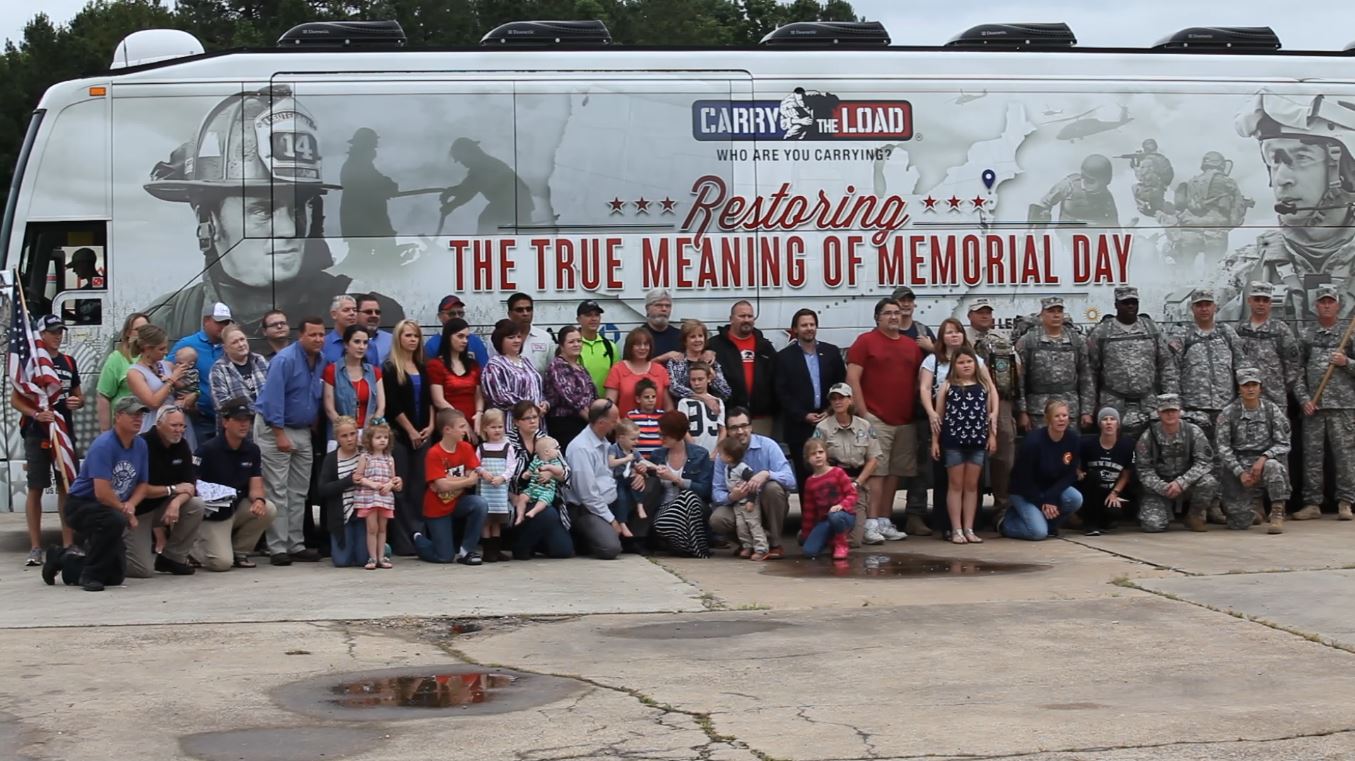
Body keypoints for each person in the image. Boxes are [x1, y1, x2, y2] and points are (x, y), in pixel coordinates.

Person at [141, 86, 405, 341]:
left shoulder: (366, 314)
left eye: (298, 208)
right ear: (209, 220)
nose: (289, 228)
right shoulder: (166, 322)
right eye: (263, 210)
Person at [846, 297, 922, 543]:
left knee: (895, 473)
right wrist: (863, 413)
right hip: (876, 419)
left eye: (897, 313)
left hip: (905, 421)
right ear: (877, 317)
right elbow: (852, 378)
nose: (894, 317)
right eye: (888, 313)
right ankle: (869, 522)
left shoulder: (911, 346)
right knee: (876, 473)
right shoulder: (865, 342)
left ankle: (884, 521)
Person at [58, 396, 151, 591]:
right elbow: (102, 492)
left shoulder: (140, 445)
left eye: (141, 415)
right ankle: (90, 575)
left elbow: (142, 484)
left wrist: (132, 505)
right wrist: (126, 512)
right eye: (133, 414)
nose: (138, 419)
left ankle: (64, 560)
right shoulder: (104, 445)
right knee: (114, 519)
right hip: (81, 505)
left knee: (115, 575)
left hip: (112, 508)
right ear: (118, 416)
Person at [256, 316, 327, 565]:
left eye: (321, 335)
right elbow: (272, 399)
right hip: (276, 427)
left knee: (299, 491)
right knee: (277, 490)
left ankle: (295, 544)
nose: (318, 339)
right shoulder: (284, 360)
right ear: (301, 336)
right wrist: (278, 434)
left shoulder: (321, 360)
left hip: (302, 429)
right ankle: (277, 548)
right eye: (313, 335)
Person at [14, 314, 82, 566]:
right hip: (36, 432)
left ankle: (68, 543)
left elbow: (78, 396)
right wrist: (35, 413)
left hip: (63, 431)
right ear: (41, 335)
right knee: (36, 487)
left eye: (60, 331)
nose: (58, 336)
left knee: (66, 485)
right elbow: (15, 400)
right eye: (53, 332)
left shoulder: (69, 361)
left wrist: (77, 402)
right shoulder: (31, 364)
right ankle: (35, 547)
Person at [920, 318, 997, 538]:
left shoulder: (982, 385)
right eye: (961, 363)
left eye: (969, 362)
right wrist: (935, 440)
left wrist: (992, 433)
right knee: (954, 485)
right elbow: (939, 413)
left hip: (977, 442)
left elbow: (991, 405)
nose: (966, 366)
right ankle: (955, 528)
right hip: (952, 442)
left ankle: (970, 528)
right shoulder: (946, 384)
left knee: (972, 486)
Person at [192, 397, 276, 571]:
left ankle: (240, 551)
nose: (244, 424)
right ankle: (193, 548)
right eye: (238, 420)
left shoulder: (252, 450)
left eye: (247, 420)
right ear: (225, 422)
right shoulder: (207, 450)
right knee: (221, 564)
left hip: (235, 507)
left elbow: (256, 484)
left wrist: (259, 500)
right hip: (213, 513)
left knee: (269, 508)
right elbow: (192, 485)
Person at [1087, 286, 1180, 439]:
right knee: (1115, 446)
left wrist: (1171, 400)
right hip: (1113, 401)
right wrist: (1090, 407)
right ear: (1116, 305)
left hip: (1148, 401)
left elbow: (1166, 365)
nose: (1130, 306)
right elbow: (1091, 372)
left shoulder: (1151, 329)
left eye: (1134, 302)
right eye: (1125, 303)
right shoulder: (1102, 332)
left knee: (1152, 445)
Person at [1295, 286, 1355, 521]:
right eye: (1322, 302)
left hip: (1343, 406)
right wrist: (1304, 399)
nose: (1327, 305)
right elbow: (1297, 372)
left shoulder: (1349, 333)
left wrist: (1346, 361)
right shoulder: (1307, 334)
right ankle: (1312, 503)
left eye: (1331, 301)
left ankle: (1346, 502)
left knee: (1345, 456)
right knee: (1312, 457)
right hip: (1314, 407)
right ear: (1316, 306)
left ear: (1338, 305)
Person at [773, 308, 846, 492]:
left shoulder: (830, 352)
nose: (809, 328)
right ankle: (809, 519)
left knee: (832, 474)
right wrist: (803, 415)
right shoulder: (784, 357)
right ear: (795, 329)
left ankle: (832, 516)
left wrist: (830, 410)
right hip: (799, 426)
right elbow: (782, 392)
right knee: (806, 476)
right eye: (804, 325)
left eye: (812, 324)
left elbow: (841, 383)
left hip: (829, 422)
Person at [129, 407, 204, 577]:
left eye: (182, 426)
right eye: (174, 425)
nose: (179, 430)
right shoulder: (142, 444)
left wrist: (176, 502)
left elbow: (190, 486)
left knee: (196, 505)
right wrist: (171, 490)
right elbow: (140, 489)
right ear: (159, 424)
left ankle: (172, 558)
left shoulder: (182, 445)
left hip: (163, 506)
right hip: (137, 512)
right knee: (142, 570)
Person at [710, 407, 794, 557]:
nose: (740, 431)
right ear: (728, 431)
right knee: (717, 519)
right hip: (739, 506)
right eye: (734, 428)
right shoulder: (723, 456)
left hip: (765, 504)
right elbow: (716, 492)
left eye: (744, 426)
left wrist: (767, 474)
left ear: (751, 426)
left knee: (773, 488)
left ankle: (775, 544)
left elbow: (790, 480)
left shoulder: (768, 446)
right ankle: (747, 544)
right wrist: (731, 497)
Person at [382, 319, 435, 556]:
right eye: (408, 336)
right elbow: (392, 405)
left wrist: (431, 426)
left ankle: (419, 534)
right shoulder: (390, 368)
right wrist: (411, 430)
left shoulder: (422, 367)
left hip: (424, 435)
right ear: (398, 339)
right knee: (400, 487)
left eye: (415, 336)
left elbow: (429, 401)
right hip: (401, 436)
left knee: (418, 487)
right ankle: (403, 541)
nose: (412, 340)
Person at [1217, 368, 1293, 534]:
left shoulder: (1272, 410)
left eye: (1254, 385)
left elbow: (1283, 442)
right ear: (1239, 389)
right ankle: (1251, 512)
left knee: (1274, 467)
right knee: (1238, 523)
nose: (1250, 389)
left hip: (1263, 462)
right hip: (1238, 465)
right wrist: (1239, 472)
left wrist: (1264, 457)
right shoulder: (1229, 413)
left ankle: (1277, 512)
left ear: (1261, 388)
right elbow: (1223, 448)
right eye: (1246, 385)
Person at [967, 298, 1020, 525]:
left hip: (1001, 401)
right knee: (971, 456)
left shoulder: (1002, 339)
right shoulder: (962, 337)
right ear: (970, 316)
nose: (985, 316)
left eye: (988, 312)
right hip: (970, 401)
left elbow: (1017, 368)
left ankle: (1002, 509)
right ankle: (971, 512)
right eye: (980, 312)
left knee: (1004, 456)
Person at [1135, 394, 1219, 533]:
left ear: (1180, 411)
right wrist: (1162, 487)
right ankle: (1164, 513)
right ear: (1158, 413)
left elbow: (1204, 462)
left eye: (1173, 410)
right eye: (1165, 411)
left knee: (1208, 482)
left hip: (1186, 485)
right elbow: (1143, 470)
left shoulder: (1193, 432)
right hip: (1159, 489)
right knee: (1153, 526)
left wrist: (1181, 483)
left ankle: (1194, 515)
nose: (1170, 414)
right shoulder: (1148, 436)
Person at [415, 408, 489, 565]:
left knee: (479, 503)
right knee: (444, 557)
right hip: (437, 509)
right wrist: (463, 481)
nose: (465, 430)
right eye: (461, 426)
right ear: (447, 430)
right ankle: (419, 540)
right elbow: (441, 486)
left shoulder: (466, 448)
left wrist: (449, 481)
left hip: (456, 502)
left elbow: (473, 477)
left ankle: (466, 550)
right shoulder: (434, 453)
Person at [893, 286, 939, 533]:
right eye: (901, 301)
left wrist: (931, 348)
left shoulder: (923, 332)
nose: (906, 305)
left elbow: (945, 361)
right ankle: (879, 517)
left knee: (920, 465)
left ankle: (915, 515)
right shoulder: (885, 331)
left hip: (920, 409)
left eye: (910, 300)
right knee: (888, 465)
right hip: (892, 408)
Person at [1002, 400, 1083, 541]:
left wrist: (1051, 497)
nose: (1061, 419)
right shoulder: (1033, 442)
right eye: (1057, 416)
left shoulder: (1073, 440)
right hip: (1024, 491)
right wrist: (1043, 501)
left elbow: (1070, 474)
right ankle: (1005, 523)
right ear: (1048, 419)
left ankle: (1049, 524)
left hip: (1049, 489)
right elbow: (1023, 479)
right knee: (1037, 533)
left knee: (1075, 498)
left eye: (1064, 415)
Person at [813, 383, 882, 548]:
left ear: (850, 400)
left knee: (854, 542)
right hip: (832, 485)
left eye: (842, 398)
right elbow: (815, 459)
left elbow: (874, 458)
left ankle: (834, 531)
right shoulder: (822, 428)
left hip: (857, 484)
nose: (837, 402)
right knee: (832, 530)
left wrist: (858, 483)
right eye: (834, 399)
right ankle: (818, 531)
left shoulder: (864, 426)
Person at [638, 410, 714, 558]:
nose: (661, 438)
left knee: (688, 497)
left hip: (694, 510)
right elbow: (650, 482)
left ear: (677, 434)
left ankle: (686, 547)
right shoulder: (657, 455)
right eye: (659, 434)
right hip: (665, 509)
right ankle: (693, 548)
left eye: (664, 435)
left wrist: (675, 479)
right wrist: (641, 473)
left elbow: (705, 490)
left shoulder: (700, 454)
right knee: (662, 521)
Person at [506, 400, 574, 560]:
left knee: (563, 550)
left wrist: (552, 473)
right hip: (518, 499)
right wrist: (511, 496)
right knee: (548, 514)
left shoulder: (548, 440)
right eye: (527, 418)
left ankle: (531, 540)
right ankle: (520, 547)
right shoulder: (507, 442)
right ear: (516, 422)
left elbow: (567, 471)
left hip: (546, 497)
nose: (532, 421)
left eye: (535, 417)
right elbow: (500, 475)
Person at [1016, 296, 1094, 432]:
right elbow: (1020, 379)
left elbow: (1085, 377)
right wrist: (1022, 411)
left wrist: (1087, 411)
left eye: (1059, 311)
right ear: (1042, 315)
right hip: (1039, 409)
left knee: (1069, 451)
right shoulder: (1029, 341)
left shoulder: (1076, 340)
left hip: (1069, 408)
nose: (1056, 315)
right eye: (1051, 311)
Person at [564, 399, 624, 560]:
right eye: (614, 420)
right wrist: (612, 521)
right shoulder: (581, 448)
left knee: (649, 485)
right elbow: (588, 495)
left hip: (611, 500)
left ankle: (634, 539)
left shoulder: (605, 441)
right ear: (601, 423)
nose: (618, 423)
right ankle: (585, 538)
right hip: (587, 509)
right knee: (610, 549)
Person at [710, 300, 778, 435]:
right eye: (741, 316)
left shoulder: (764, 346)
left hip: (760, 418)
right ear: (731, 319)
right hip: (729, 417)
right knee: (732, 455)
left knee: (760, 454)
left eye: (750, 316)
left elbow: (776, 378)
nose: (746, 319)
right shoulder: (715, 346)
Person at [126, 324, 196, 451]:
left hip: (176, 420)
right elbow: (153, 402)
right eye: (161, 349)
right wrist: (172, 379)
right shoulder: (134, 373)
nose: (166, 352)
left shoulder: (167, 365)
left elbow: (186, 386)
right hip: (153, 422)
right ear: (147, 349)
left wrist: (192, 394)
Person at [171, 301, 231, 443]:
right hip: (199, 419)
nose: (223, 327)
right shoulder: (187, 344)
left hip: (227, 420)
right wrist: (182, 392)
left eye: (227, 323)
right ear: (206, 321)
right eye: (219, 322)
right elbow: (168, 367)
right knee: (200, 461)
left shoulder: (231, 344)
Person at [1234, 282, 1300, 409]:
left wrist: (1280, 387)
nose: (1261, 303)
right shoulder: (1239, 329)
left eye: (1265, 300)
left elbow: (1293, 364)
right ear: (1249, 301)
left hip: (1274, 396)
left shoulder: (1280, 329)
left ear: (1270, 303)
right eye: (1257, 299)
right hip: (1246, 397)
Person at [317, 416, 369, 568]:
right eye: (344, 436)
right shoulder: (331, 459)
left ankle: (380, 548)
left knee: (362, 560)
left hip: (362, 513)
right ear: (337, 438)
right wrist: (348, 480)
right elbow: (323, 489)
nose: (350, 439)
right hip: (342, 515)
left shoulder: (364, 454)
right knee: (341, 561)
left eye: (353, 434)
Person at [1077, 408, 1136, 536]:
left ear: (1118, 424)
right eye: (1105, 419)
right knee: (1094, 475)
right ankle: (1089, 524)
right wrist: (1078, 471)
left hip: (1110, 490)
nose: (1109, 422)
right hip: (1091, 490)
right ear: (1099, 424)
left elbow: (1126, 475)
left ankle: (1104, 521)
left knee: (1116, 511)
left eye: (1112, 419)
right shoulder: (1087, 443)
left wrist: (1115, 493)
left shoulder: (1127, 445)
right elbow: (1073, 459)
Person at [322, 325, 385, 440]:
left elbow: (381, 407)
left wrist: (370, 430)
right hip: (341, 435)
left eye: (365, 343)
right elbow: (329, 409)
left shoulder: (375, 372)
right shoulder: (332, 370)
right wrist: (349, 432)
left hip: (368, 435)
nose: (361, 347)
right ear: (346, 344)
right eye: (357, 342)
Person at [799, 438, 858, 561]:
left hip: (844, 516)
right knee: (809, 552)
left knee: (835, 516)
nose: (818, 456)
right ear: (807, 459)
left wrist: (842, 505)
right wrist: (806, 534)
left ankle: (841, 543)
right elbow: (809, 511)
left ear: (826, 454)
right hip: (825, 521)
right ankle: (829, 540)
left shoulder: (838, 473)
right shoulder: (810, 482)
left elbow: (852, 494)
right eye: (813, 454)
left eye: (820, 452)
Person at [482, 318, 547, 429]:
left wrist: (544, 403)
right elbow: (500, 396)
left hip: (536, 423)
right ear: (500, 340)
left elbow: (537, 388)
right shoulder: (494, 365)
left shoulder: (526, 361)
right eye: (511, 338)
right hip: (511, 424)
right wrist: (530, 407)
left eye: (518, 337)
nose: (517, 341)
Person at [353, 421, 400, 569]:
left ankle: (381, 557)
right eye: (378, 437)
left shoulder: (389, 459)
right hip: (369, 498)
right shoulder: (365, 457)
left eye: (385, 437)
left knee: (382, 528)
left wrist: (390, 485)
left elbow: (394, 479)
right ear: (369, 439)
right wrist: (372, 484)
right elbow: (358, 477)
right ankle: (372, 557)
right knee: (372, 528)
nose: (382, 440)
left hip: (385, 497)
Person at [544, 324, 597, 451]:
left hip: (585, 421)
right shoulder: (557, 366)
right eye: (571, 342)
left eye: (579, 341)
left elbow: (593, 395)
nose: (576, 344)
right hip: (565, 424)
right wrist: (595, 424)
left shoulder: (581, 368)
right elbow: (574, 400)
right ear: (562, 345)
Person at [96, 311, 149, 431]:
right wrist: (106, 432)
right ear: (128, 333)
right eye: (138, 329)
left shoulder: (157, 357)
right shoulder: (117, 358)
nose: (142, 334)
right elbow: (103, 396)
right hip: (126, 425)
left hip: (151, 424)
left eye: (146, 329)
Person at [428, 318, 485, 431]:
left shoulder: (473, 365)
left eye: (467, 337)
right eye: (460, 336)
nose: (465, 341)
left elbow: (478, 395)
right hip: (450, 424)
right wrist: (461, 422)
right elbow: (438, 400)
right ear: (448, 337)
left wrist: (479, 414)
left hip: (474, 421)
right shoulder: (436, 365)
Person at [208, 324, 269, 428]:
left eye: (242, 339)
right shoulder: (218, 369)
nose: (241, 344)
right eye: (235, 342)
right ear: (225, 348)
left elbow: (274, 389)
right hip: (239, 431)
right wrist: (258, 412)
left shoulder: (260, 360)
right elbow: (222, 403)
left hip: (267, 427)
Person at [475, 408, 515, 563]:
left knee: (497, 521)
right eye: (493, 427)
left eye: (499, 426)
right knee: (486, 521)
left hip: (499, 490)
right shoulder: (482, 448)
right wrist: (483, 472)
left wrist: (503, 478)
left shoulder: (507, 447)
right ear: (485, 428)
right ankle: (487, 551)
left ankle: (496, 550)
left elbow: (512, 467)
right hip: (485, 489)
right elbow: (476, 464)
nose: (497, 430)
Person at [605, 327, 673, 417]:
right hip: (626, 428)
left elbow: (668, 406)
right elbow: (609, 406)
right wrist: (620, 426)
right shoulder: (617, 369)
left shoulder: (660, 370)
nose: (642, 348)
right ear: (630, 347)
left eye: (646, 344)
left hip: (656, 428)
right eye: (638, 344)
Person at [717, 437, 765, 560]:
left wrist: (751, 500)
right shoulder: (727, 467)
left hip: (748, 503)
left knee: (753, 524)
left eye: (721, 453)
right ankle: (747, 546)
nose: (719, 455)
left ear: (728, 457)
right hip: (737, 503)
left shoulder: (743, 469)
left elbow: (752, 484)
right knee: (741, 526)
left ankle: (761, 548)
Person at [668, 319, 733, 403]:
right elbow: (674, 388)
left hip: (710, 412)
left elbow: (726, 392)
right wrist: (701, 397)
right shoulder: (676, 362)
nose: (697, 340)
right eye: (692, 337)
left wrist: (713, 378)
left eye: (700, 336)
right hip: (685, 411)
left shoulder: (711, 362)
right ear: (684, 341)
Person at [424, 294, 489, 368]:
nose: (457, 317)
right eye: (452, 314)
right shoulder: (431, 345)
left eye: (460, 313)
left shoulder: (475, 342)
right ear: (440, 316)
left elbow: (485, 372)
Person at [517, 435, 567, 529]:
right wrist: (526, 474)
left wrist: (549, 469)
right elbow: (530, 470)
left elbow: (561, 471)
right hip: (532, 488)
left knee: (544, 500)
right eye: (556, 448)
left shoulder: (554, 462)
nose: (558, 451)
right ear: (547, 452)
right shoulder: (536, 461)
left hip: (546, 490)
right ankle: (520, 515)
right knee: (522, 497)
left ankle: (534, 511)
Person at [677, 362, 724, 456]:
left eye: (700, 379)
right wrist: (695, 447)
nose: (696, 383)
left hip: (713, 451)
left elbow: (722, 429)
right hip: (693, 451)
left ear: (709, 378)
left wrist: (716, 451)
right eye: (693, 380)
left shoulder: (717, 401)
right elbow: (683, 429)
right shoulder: (684, 402)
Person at [505, 292, 555, 374]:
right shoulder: (499, 338)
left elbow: (551, 371)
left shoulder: (545, 338)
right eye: (519, 310)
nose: (525, 313)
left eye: (529, 309)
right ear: (510, 314)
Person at [322, 295, 378, 367]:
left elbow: (376, 375)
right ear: (334, 314)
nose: (352, 313)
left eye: (354, 310)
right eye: (346, 310)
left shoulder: (369, 345)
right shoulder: (323, 344)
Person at [576, 299, 617, 394]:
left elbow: (616, 380)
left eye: (597, 315)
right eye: (588, 315)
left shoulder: (610, 347)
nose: (593, 318)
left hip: (604, 406)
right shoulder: (571, 345)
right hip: (578, 407)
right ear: (578, 319)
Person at [643, 288, 684, 362]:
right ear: (647, 309)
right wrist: (662, 358)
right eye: (659, 305)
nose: (664, 309)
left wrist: (709, 352)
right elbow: (630, 369)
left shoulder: (680, 336)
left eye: (668, 306)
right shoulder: (637, 337)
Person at [355, 294, 394, 365]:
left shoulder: (392, 341)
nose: (374, 315)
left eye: (377, 312)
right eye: (368, 312)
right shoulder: (346, 339)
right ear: (356, 314)